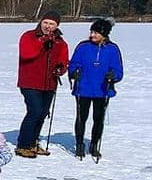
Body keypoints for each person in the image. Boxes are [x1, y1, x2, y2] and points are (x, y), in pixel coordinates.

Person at [15, 9, 69, 157]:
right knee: (35, 111)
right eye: (45, 22)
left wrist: (60, 69)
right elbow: (27, 54)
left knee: (43, 113)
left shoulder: (60, 42)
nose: (47, 26)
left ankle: (33, 142)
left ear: (57, 26)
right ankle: (23, 144)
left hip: (49, 83)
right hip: (30, 82)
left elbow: (64, 61)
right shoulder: (29, 36)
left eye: (51, 24)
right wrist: (42, 41)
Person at [68, 18, 123, 161]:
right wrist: (74, 72)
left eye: (96, 33)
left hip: (102, 90)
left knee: (98, 119)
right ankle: (79, 145)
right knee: (81, 118)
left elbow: (118, 70)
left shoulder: (112, 49)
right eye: (92, 32)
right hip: (83, 88)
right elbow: (73, 63)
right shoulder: (83, 47)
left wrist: (113, 75)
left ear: (104, 34)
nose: (92, 35)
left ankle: (94, 145)